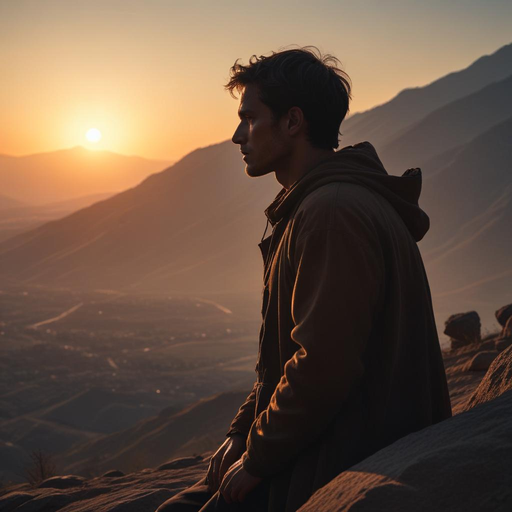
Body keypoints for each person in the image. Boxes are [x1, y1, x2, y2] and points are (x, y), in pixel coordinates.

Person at [156, 46, 452, 512]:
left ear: (293, 122)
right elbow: (284, 358)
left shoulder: (331, 213)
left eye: (250, 118)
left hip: (349, 461)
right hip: (334, 444)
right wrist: (240, 433)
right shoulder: (325, 204)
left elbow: (322, 365)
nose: (237, 135)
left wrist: (258, 458)